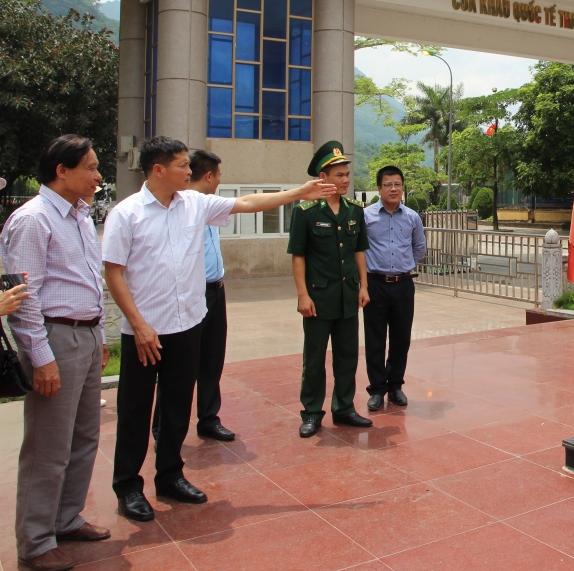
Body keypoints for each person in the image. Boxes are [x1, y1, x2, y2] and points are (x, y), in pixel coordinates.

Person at [103, 136, 335, 523]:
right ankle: (128, 485)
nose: (189, 170)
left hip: (187, 324)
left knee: (178, 406)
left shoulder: (194, 204)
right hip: (146, 332)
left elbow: (246, 203)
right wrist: (139, 325)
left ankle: (170, 476)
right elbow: (114, 272)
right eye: (181, 164)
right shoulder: (126, 214)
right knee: (135, 411)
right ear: (158, 169)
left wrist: (300, 191)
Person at [0, 136, 111, 571]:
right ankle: (35, 540)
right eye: (91, 167)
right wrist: (42, 357)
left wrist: (99, 336)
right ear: (62, 171)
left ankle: (66, 518)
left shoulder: (81, 215)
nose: (99, 176)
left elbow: (88, 280)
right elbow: (24, 297)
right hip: (54, 340)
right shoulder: (33, 220)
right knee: (48, 446)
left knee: (85, 437)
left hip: (84, 337)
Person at [287, 141, 372, 438]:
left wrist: (364, 286)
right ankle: (311, 412)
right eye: (339, 175)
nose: (346, 180)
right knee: (314, 358)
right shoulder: (306, 212)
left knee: (347, 356)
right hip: (319, 297)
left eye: (347, 174)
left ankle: (344, 408)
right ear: (323, 178)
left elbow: (360, 251)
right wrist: (303, 295)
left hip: (348, 295)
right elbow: (298, 256)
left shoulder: (355, 211)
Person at [151, 150, 234, 442]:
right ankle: (164, 427)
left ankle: (208, 418)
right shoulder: (181, 207)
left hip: (216, 291)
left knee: (212, 358)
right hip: (188, 294)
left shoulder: (211, 207)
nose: (220, 181)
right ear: (210, 175)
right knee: (178, 364)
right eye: (220, 176)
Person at [363, 165, 426, 412]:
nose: (393, 189)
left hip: (403, 285)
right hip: (375, 285)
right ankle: (377, 390)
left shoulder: (412, 217)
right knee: (375, 340)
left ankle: (395, 386)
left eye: (397, 184)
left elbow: (419, 248)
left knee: (401, 339)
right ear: (379, 188)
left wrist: (404, 265)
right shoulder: (366, 216)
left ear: (402, 187)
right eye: (387, 184)